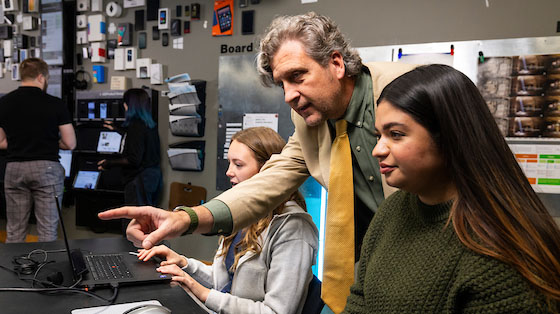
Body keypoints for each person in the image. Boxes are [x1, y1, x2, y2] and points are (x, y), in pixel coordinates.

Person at [99, 12, 414, 312]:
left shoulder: (402, 91)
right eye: (282, 84)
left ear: (336, 62)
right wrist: (185, 219)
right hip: (373, 272)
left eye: (297, 76)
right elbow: (271, 180)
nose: (289, 95)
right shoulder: (311, 120)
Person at [342, 64, 560, 313]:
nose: (378, 150)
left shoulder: (498, 251)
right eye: (378, 135)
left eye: (396, 134)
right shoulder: (393, 209)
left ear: (448, 137)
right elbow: (360, 299)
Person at [137, 127, 318, 314]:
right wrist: (184, 263)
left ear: (268, 171)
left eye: (238, 165)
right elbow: (223, 281)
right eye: (229, 163)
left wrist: (202, 292)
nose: (229, 172)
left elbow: (276, 312)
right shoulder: (242, 215)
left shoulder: (294, 228)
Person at [0, 58, 76, 243]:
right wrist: (49, 142)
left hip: (14, 169)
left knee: (15, 230)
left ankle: (15, 270)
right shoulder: (55, 103)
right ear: (41, 77)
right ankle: (46, 271)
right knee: (47, 231)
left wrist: (18, 141)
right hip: (47, 169)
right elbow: (70, 143)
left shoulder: (3, 102)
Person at [97, 88, 162, 208]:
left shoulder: (136, 127)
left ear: (129, 106)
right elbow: (139, 141)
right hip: (152, 178)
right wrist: (117, 128)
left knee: (134, 221)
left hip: (139, 180)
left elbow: (133, 159)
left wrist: (108, 163)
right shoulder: (149, 125)